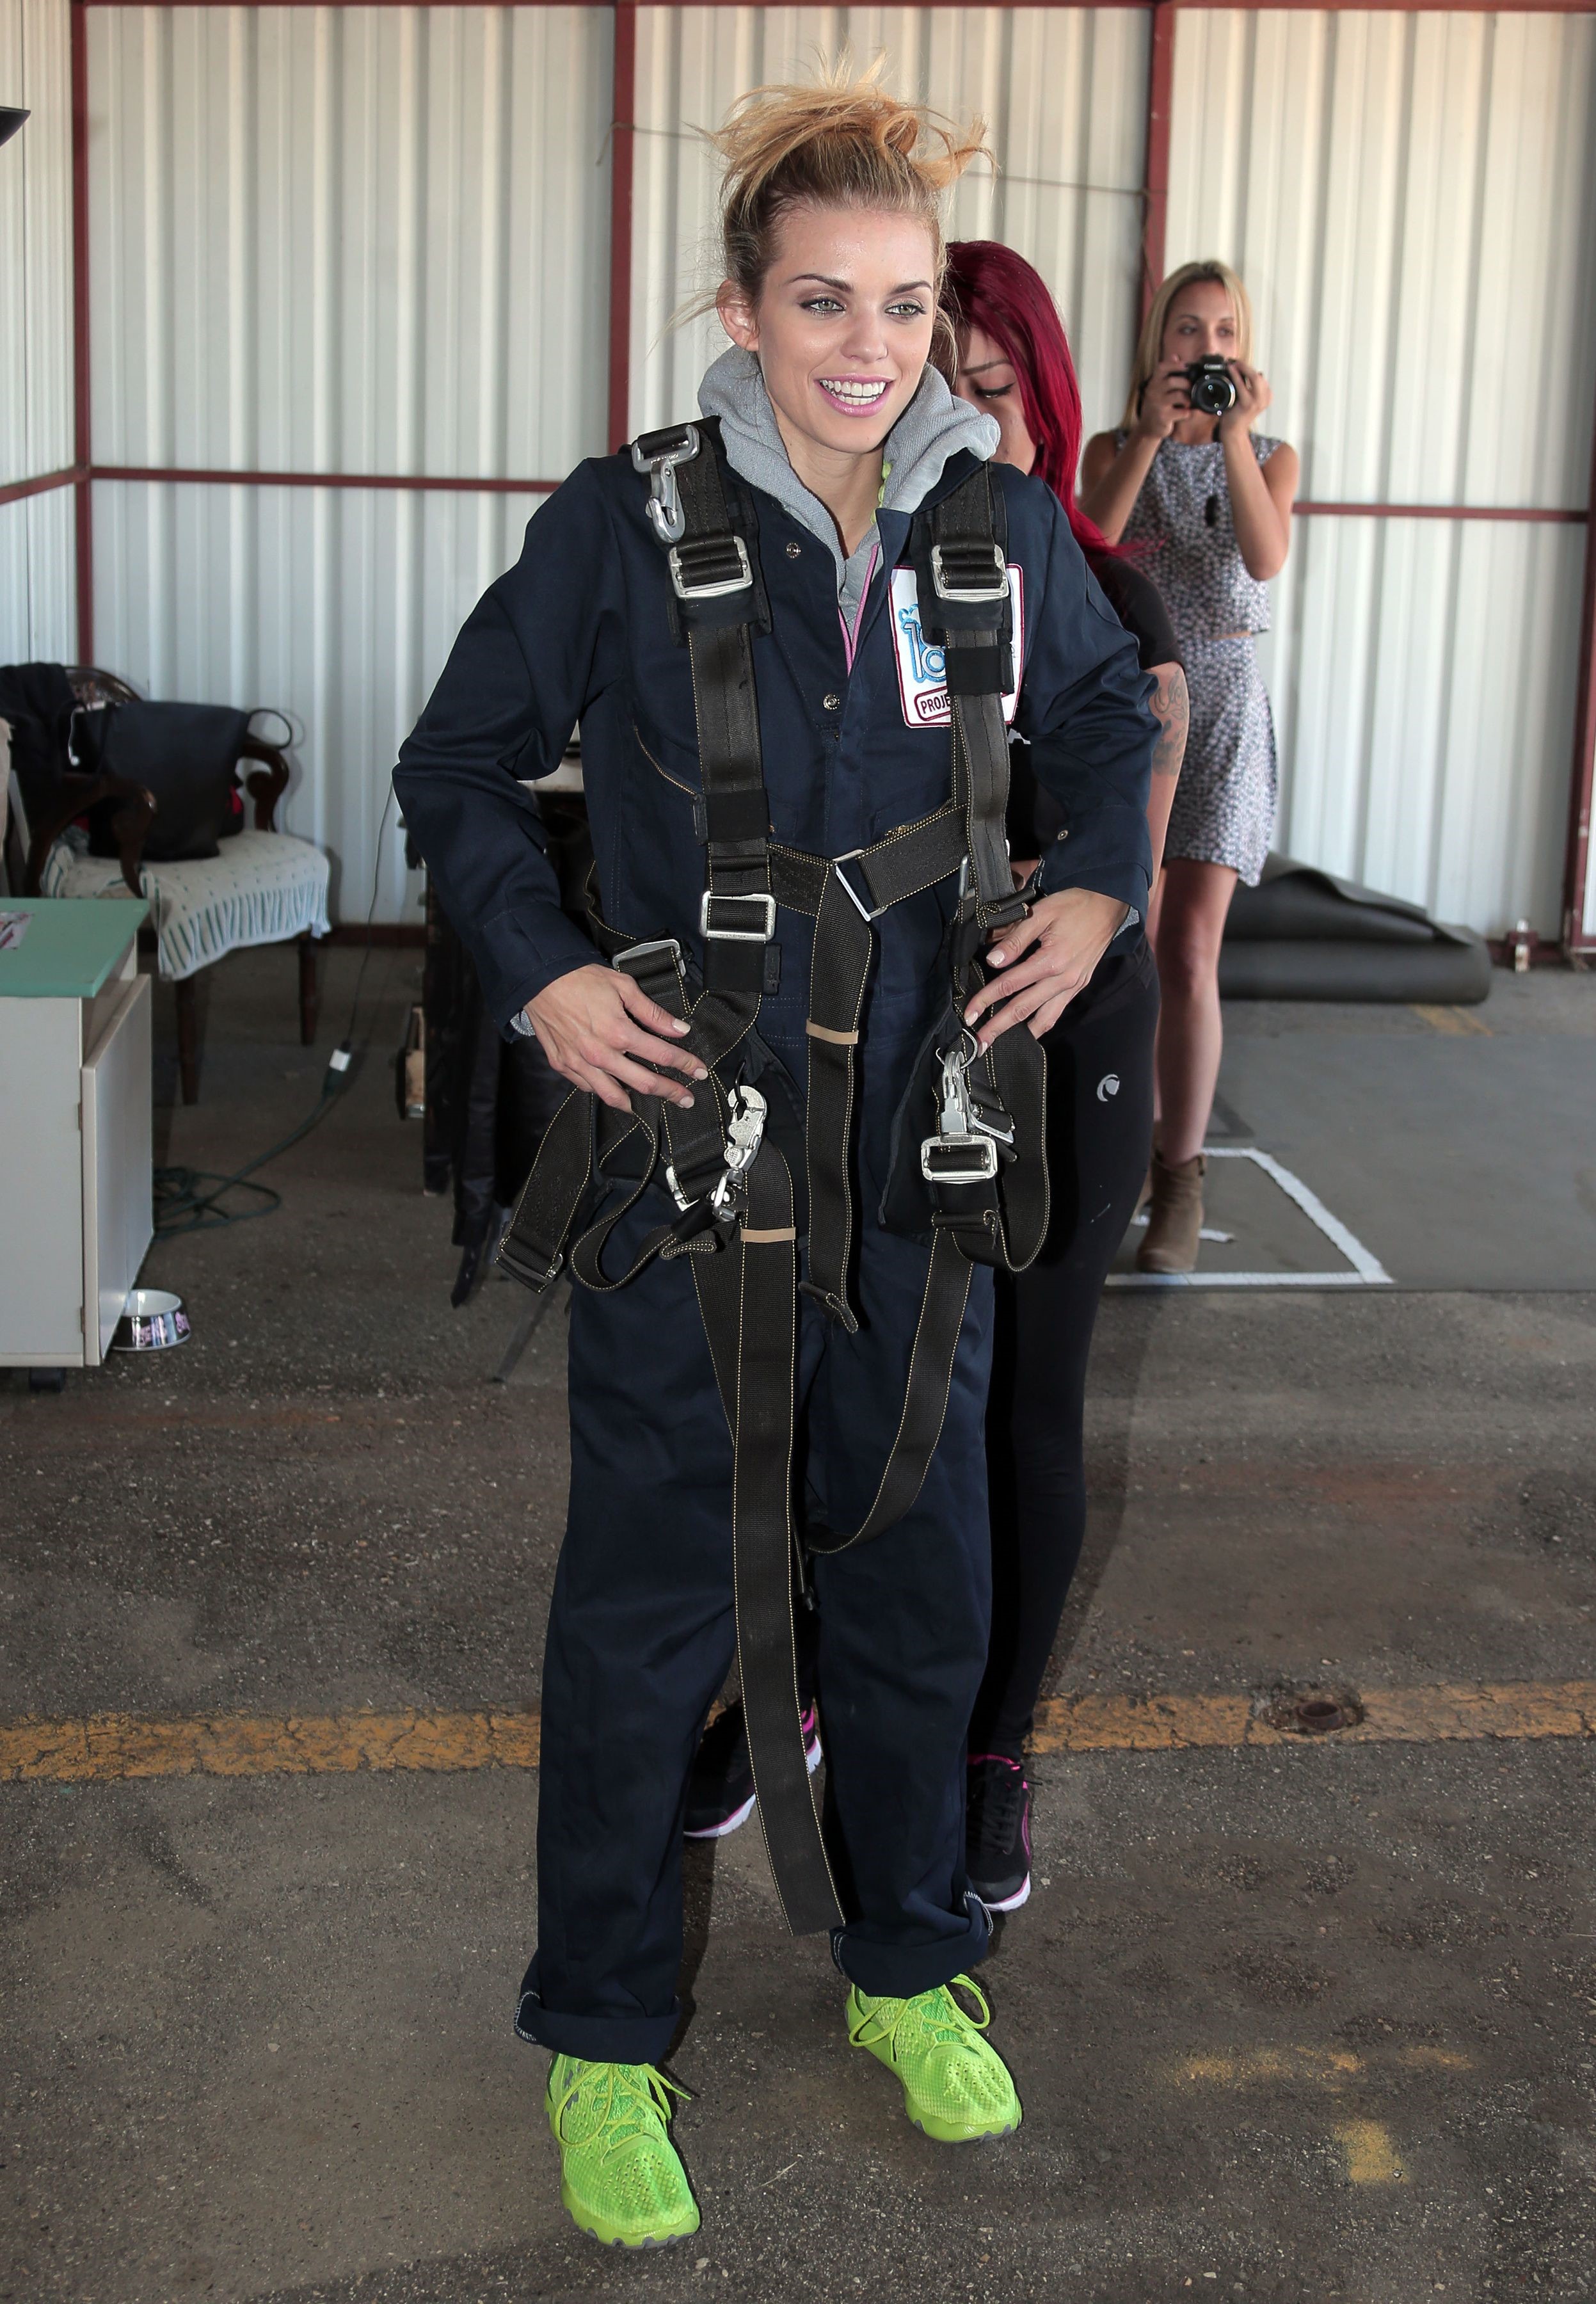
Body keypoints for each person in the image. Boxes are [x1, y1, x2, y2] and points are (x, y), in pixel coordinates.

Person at [395, 68, 1154, 2252]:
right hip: (683, 1135)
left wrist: (1096, 888)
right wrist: (542, 971)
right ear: (742, 309)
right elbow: (454, 766)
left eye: (903, 307)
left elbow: (1113, 722)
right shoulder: (619, 527)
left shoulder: (994, 529)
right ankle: (600, 2035)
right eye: (821, 301)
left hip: (922, 1133)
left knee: (917, 1574)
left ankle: (907, 1962)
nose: (865, 348)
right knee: (651, 1604)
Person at [938, 239, 1187, 1908]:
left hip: (1066, 1051)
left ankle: (994, 1751)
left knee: (1025, 1401)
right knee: (859, 1386)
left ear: (1041, 397)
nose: (963, 425)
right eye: (931, 394)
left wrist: (1039, 892)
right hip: (901, 1041)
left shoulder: (1113, 602)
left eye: (988, 390)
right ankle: (804, 1682)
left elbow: (1128, 860)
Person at [1080, 259, 1297, 1272]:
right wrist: (1151, 437)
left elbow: (1262, 558)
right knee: (1133, 939)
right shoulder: (1112, 446)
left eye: (1223, 332)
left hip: (1225, 715)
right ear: (1156, 343)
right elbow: (1093, 541)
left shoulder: (1274, 455)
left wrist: (1235, 437)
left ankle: (1181, 1177)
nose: (1205, 349)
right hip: (1138, 713)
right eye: (1186, 330)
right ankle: (1123, 1150)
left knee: (1193, 953)